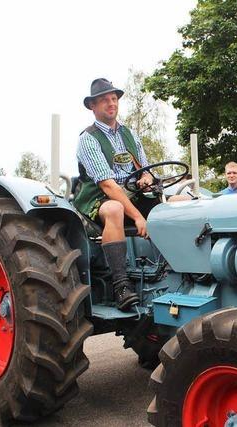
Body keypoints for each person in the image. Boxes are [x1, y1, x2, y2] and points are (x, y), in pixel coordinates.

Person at [74, 78, 155, 310]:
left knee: (177, 204)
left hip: (132, 194)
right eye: (104, 100)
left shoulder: (129, 134)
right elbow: (108, 186)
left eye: (113, 99)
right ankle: (120, 285)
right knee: (115, 208)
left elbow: (145, 170)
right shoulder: (88, 139)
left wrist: (146, 179)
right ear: (93, 106)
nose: (111, 104)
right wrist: (138, 217)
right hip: (97, 199)